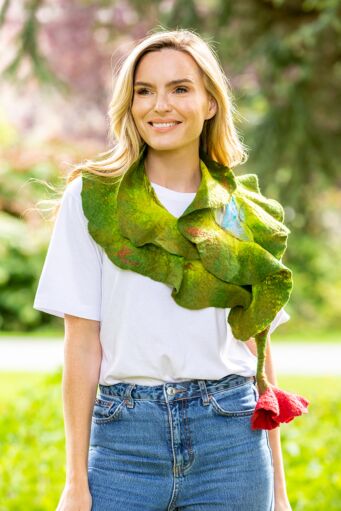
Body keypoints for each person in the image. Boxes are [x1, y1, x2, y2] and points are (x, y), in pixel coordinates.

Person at [33, 28, 309, 511]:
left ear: (209, 103)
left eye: (180, 88)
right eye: (144, 90)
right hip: (124, 446)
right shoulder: (92, 199)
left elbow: (258, 351)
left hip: (230, 440)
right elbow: (81, 343)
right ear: (130, 104)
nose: (159, 105)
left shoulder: (242, 212)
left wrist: (280, 491)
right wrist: (76, 481)